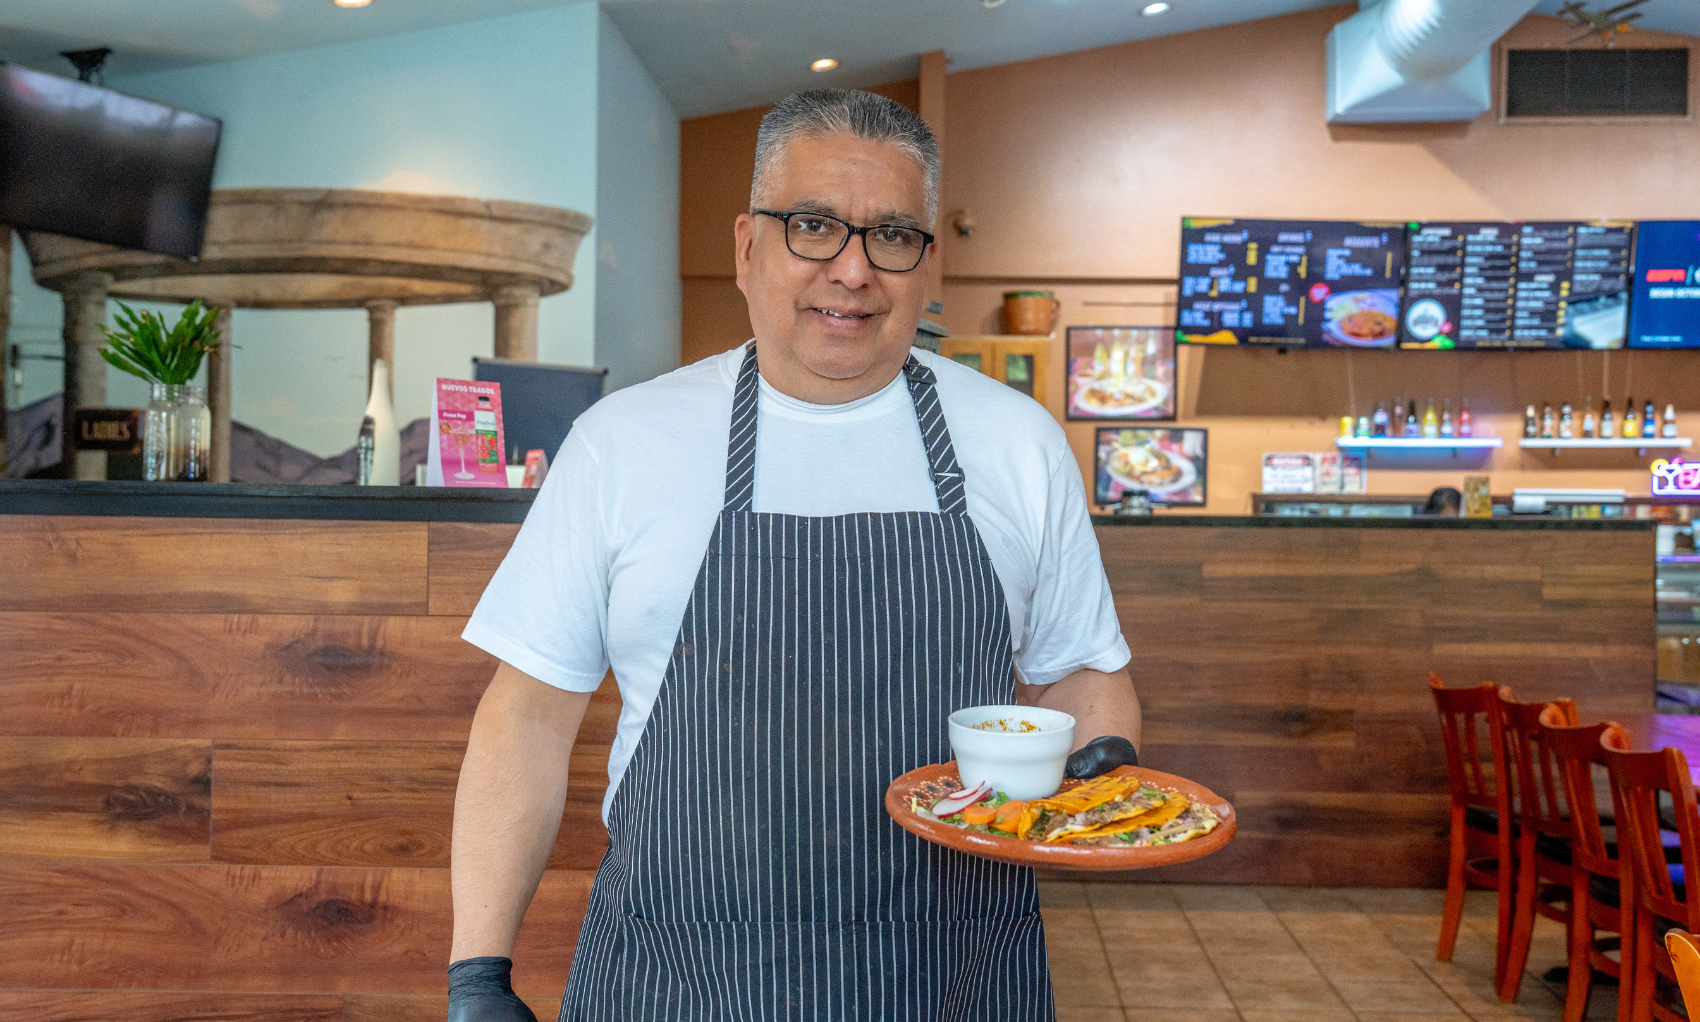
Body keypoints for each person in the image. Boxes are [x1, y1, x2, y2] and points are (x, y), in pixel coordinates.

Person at [446, 88, 1140, 1022]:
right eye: (813, 226)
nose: (853, 271)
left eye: (892, 235)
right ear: (745, 248)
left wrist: (1101, 762)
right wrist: (478, 973)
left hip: (954, 979)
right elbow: (526, 717)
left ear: (925, 264)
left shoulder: (1017, 443)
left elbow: (1081, 671)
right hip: (676, 977)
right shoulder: (624, 442)